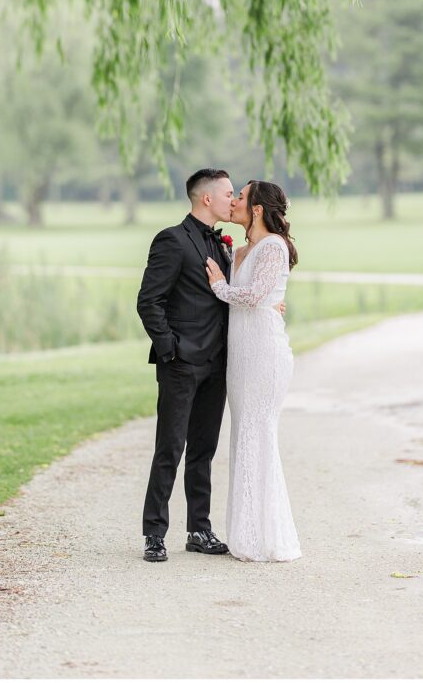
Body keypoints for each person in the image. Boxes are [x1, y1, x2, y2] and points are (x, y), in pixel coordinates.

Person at [137, 168, 235, 562]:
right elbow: (149, 301)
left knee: (203, 451)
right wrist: (170, 348)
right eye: (229, 193)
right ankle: (154, 534)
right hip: (182, 363)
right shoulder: (172, 240)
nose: (234, 199)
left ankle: (199, 529)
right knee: (170, 448)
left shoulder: (225, 245)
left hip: (218, 363)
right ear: (206, 198)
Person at [206, 180, 302, 562]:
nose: (233, 202)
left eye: (241, 197)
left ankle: (267, 535)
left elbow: (256, 296)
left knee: (258, 434)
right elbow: (259, 299)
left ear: (258, 209)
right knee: (243, 435)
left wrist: (218, 286)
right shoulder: (241, 250)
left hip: (264, 355)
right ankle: (247, 532)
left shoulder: (274, 247)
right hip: (240, 357)